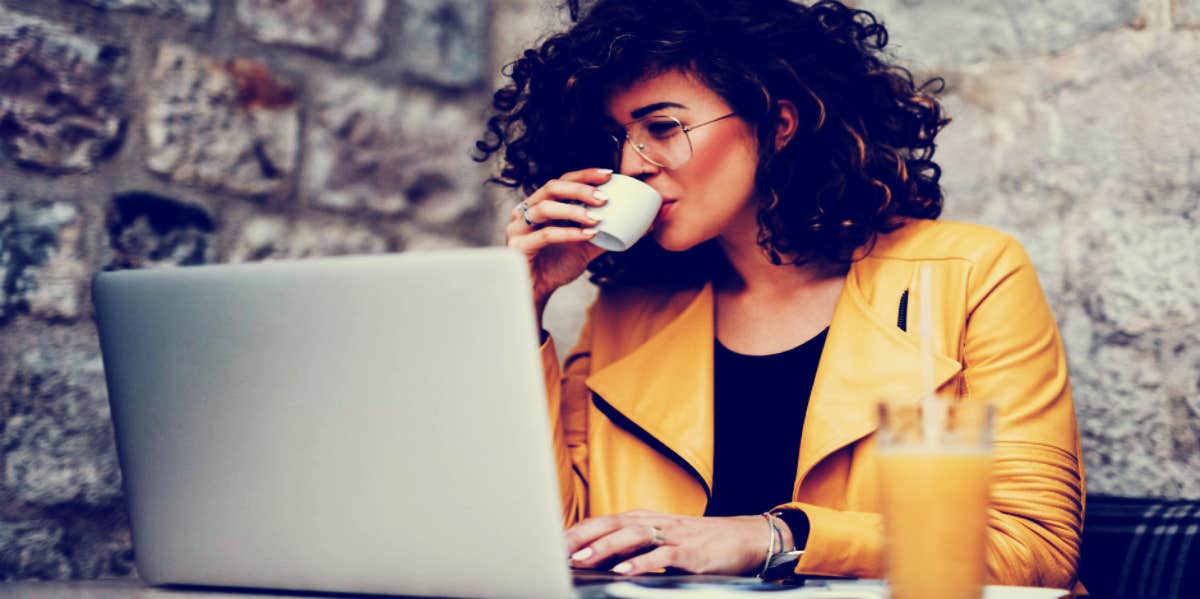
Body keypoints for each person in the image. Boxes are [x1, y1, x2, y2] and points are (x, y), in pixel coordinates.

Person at [475, 0, 1084, 587]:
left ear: (779, 125)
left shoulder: (969, 272)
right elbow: (550, 544)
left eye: (662, 127)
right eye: (616, 139)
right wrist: (520, 307)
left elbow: (1032, 545)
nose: (632, 166)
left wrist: (771, 538)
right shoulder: (627, 311)